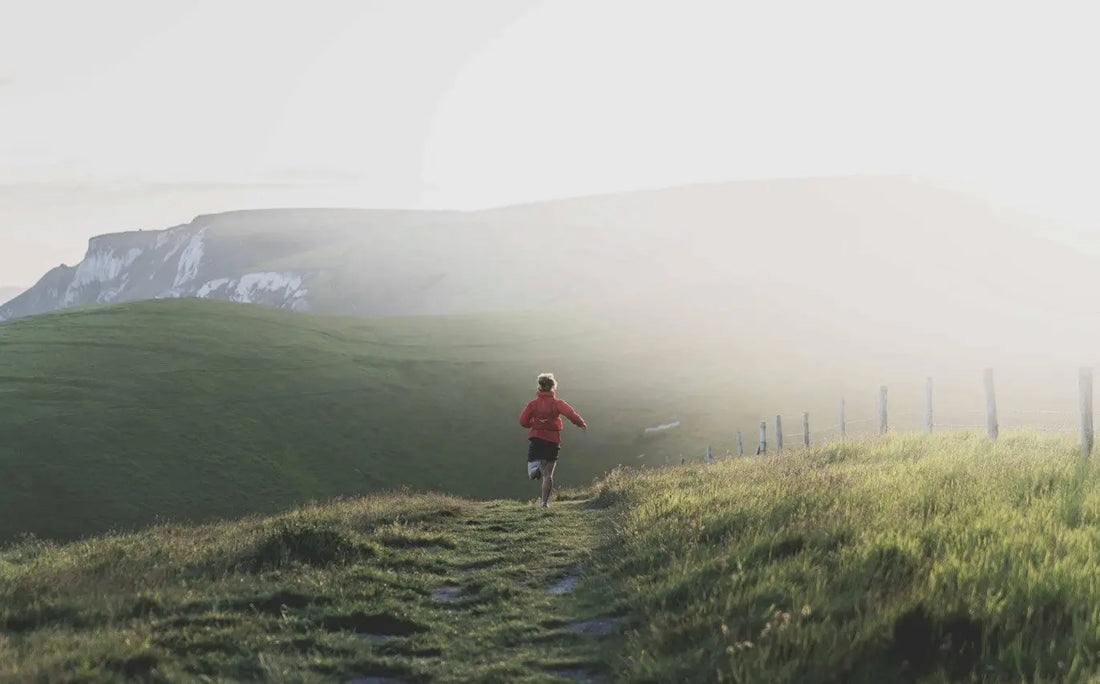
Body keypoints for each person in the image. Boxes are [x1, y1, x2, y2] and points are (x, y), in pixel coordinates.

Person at [519, 372, 587, 508]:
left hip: (537, 438)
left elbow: (523, 421)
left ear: (539, 387)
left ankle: (534, 469)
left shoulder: (532, 404)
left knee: (533, 469)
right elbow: (570, 414)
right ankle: (544, 503)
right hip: (552, 440)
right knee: (548, 475)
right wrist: (580, 423)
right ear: (553, 387)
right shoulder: (558, 403)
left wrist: (533, 423)